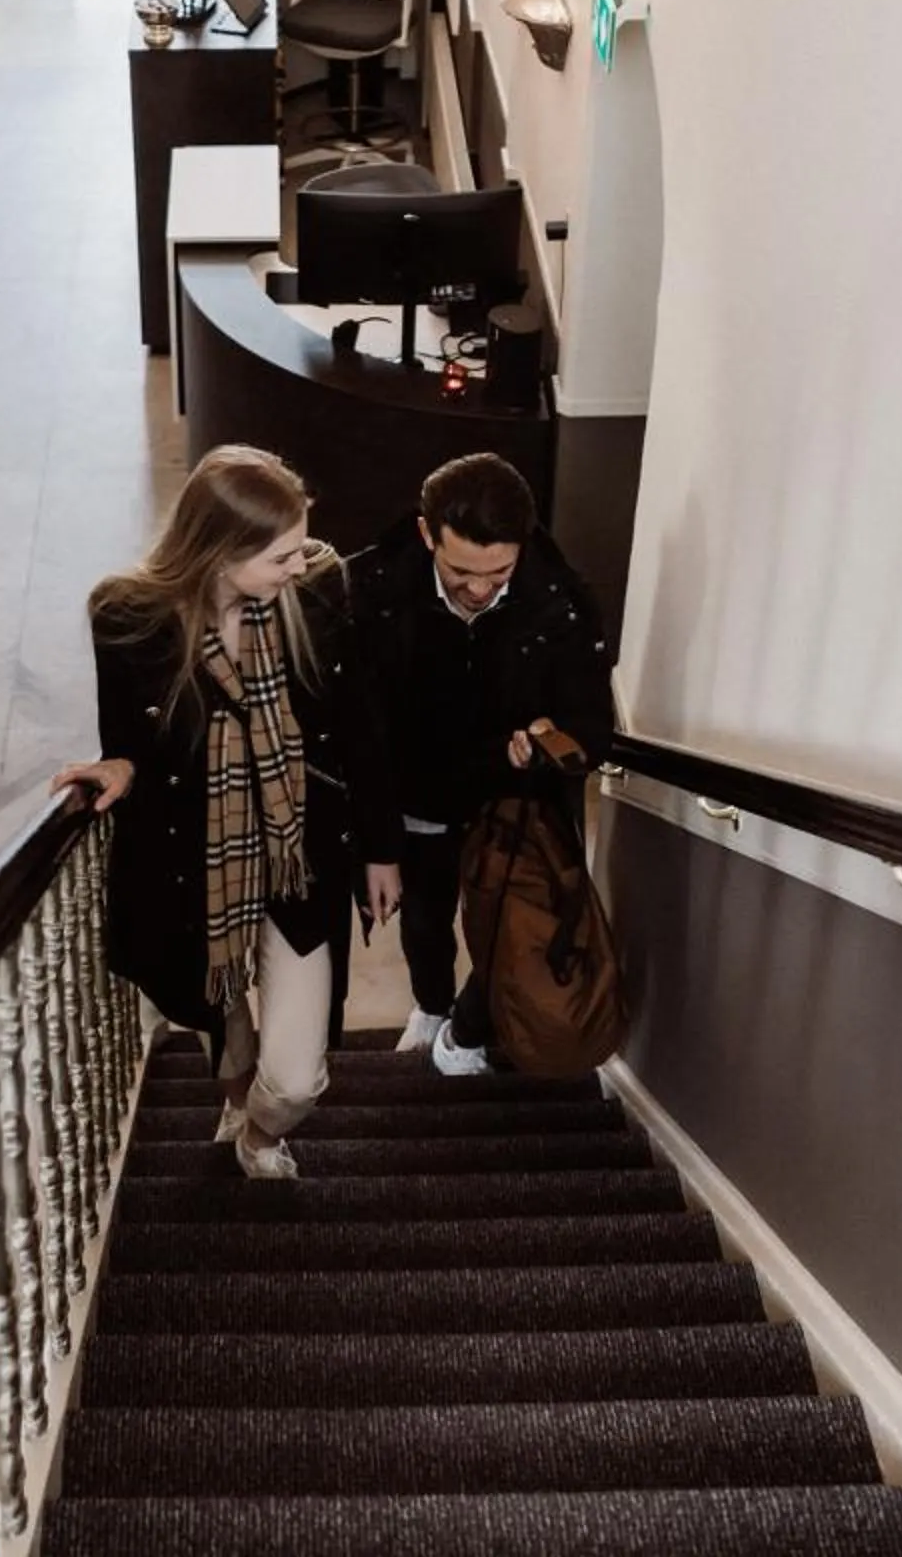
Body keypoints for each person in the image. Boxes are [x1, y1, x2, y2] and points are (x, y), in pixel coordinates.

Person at [54, 447, 400, 1177]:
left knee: (298, 1075)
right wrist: (119, 764)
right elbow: (128, 737)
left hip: (295, 857)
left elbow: (363, 726)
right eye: (280, 557)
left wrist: (380, 848)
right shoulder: (127, 617)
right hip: (193, 870)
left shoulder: (319, 590)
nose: (299, 565)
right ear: (218, 554)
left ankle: (262, 1132)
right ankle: (237, 1096)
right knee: (222, 1014)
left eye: (300, 546)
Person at [346, 454, 615, 1075]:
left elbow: (594, 726)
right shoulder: (370, 591)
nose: (478, 588)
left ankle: (465, 1034)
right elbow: (363, 734)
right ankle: (431, 1006)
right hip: (417, 796)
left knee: (515, 931)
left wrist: (553, 737)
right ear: (425, 534)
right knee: (423, 916)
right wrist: (378, 846)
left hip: (512, 803)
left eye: (500, 572)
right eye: (460, 569)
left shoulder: (564, 604)